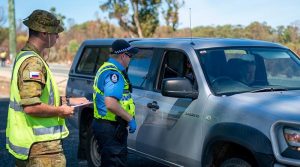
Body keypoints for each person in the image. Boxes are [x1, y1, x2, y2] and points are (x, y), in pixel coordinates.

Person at [5, 9, 89, 167]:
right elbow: (30, 107)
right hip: (41, 149)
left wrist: (69, 100)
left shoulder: (25, 56)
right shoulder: (33, 62)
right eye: (55, 32)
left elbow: (41, 97)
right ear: (44, 33)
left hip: (32, 145)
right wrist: (61, 111)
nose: (57, 36)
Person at [92, 39, 138, 166]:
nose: (131, 59)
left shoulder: (105, 68)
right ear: (123, 56)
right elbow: (111, 103)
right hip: (111, 127)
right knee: (115, 163)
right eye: (130, 56)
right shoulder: (114, 74)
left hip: (104, 125)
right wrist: (129, 119)